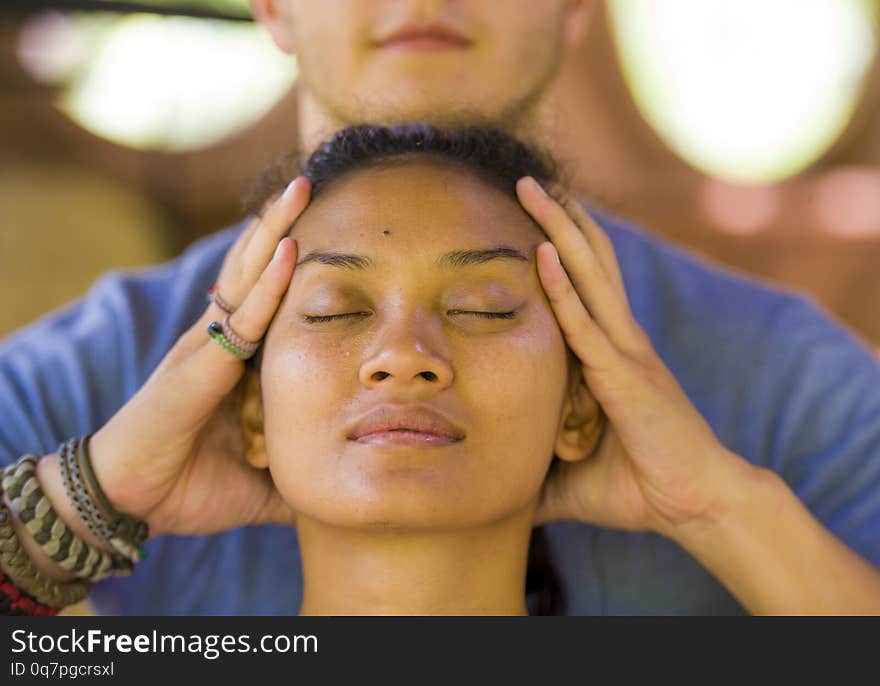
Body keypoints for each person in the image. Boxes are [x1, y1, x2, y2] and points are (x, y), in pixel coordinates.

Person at [1, 2, 879, 615]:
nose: (403, 355)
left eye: (489, 307)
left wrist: (717, 507)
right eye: (335, 308)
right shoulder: (90, 368)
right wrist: (86, 498)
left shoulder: (796, 378)